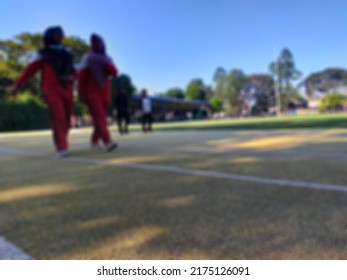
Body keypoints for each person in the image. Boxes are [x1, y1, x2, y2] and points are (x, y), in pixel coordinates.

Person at [12, 26, 75, 158]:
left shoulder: (67, 54)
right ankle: (61, 147)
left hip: (67, 90)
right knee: (58, 118)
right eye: (57, 35)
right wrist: (17, 85)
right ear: (50, 36)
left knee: (67, 121)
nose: (60, 37)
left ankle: (62, 141)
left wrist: (71, 77)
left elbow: (75, 73)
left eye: (61, 34)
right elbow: (29, 71)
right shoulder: (42, 54)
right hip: (51, 90)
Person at [78, 33, 118, 151]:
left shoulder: (108, 58)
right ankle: (107, 141)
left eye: (98, 42)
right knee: (99, 117)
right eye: (94, 43)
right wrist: (81, 92)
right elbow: (82, 76)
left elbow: (114, 73)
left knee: (101, 119)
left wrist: (107, 66)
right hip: (91, 93)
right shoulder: (87, 58)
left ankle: (94, 141)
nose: (97, 45)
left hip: (105, 92)